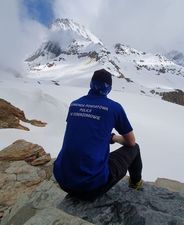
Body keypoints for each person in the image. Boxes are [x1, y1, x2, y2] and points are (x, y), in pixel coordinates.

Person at [53, 69, 143, 200]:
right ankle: (136, 184)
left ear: (91, 84)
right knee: (135, 148)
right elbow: (131, 142)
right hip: (92, 187)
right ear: (109, 88)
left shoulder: (74, 104)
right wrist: (115, 138)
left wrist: (108, 137)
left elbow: (82, 130)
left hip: (63, 181)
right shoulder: (114, 108)